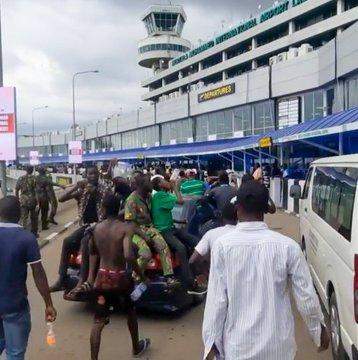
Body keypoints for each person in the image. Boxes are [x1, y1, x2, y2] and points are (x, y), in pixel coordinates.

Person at [202, 180, 330, 360]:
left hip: (239, 348)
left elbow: (217, 300)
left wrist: (211, 344)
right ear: (264, 210)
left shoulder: (222, 247)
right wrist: (318, 330)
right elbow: (306, 296)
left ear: (237, 208)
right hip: (279, 348)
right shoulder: (288, 247)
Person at [87, 194, 150, 359]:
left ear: (104, 209)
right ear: (119, 209)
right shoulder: (125, 229)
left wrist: (90, 278)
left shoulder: (96, 229)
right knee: (130, 313)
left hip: (101, 279)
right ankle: (136, 348)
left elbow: (92, 252)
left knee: (98, 322)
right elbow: (129, 255)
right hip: (120, 279)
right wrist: (140, 274)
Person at [0, 196, 57, 359]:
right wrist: (49, 304)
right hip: (14, 306)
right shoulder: (26, 238)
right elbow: (38, 273)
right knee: (15, 353)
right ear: (19, 213)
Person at [50, 166, 111, 292]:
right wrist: (76, 187)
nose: (92, 176)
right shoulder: (83, 190)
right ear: (86, 176)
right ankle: (62, 278)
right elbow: (61, 199)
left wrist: (91, 190)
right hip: (85, 225)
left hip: (99, 225)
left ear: (98, 175)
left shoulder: (104, 188)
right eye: (90, 174)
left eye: (94, 174)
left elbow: (102, 194)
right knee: (67, 241)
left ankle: (82, 280)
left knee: (85, 243)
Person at [151, 177, 205, 294]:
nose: (167, 182)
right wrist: (175, 187)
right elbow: (180, 201)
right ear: (160, 185)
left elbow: (164, 213)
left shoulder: (162, 195)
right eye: (164, 181)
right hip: (164, 231)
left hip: (171, 228)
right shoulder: (160, 195)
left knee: (196, 241)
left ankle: (195, 272)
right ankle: (189, 282)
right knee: (181, 248)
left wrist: (180, 222)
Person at [125, 174, 179, 287]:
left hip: (150, 228)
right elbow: (130, 224)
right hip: (135, 232)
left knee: (163, 247)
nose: (151, 184)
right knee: (145, 254)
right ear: (142, 185)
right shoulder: (131, 200)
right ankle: (134, 278)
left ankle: (169, 277)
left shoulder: (149, 196)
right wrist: (145, 237)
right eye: (148, 182)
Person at [15, 165, 38, 236]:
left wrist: (17, 199)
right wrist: (38, 201)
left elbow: (16, 189)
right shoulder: (35, 178)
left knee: (24, 217)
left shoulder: (21, 178)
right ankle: (34, 233)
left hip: (23, 200)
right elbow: (37, 190)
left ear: (26, 170)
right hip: (32, 200)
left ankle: (23, 233)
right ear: (32, 170)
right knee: (34, 217)